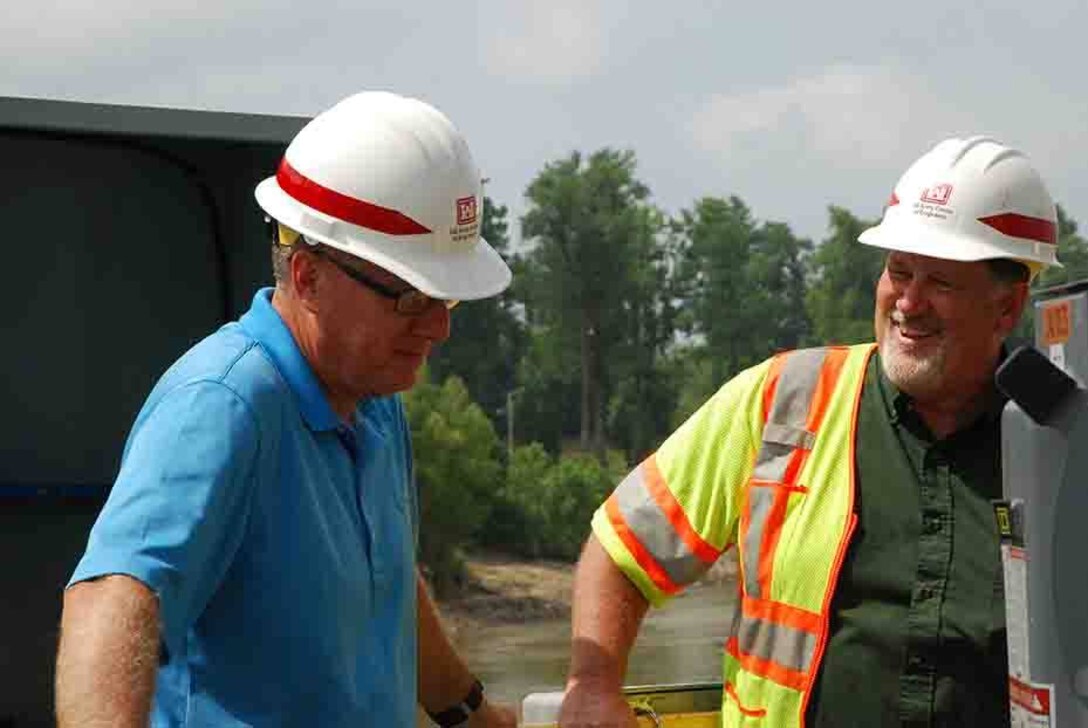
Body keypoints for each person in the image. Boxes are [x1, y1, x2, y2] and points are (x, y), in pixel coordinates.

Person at [558, 136, 1062, 728]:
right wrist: (592, 686)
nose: (909, 302)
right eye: (898, 271)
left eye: (941, 283)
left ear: (1006, 308)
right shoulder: (781, 401)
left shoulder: (1058, 444)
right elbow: (622, 550)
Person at [54, 91, 517, 728]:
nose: (438, 328)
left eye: (447, 300)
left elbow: (388, 589)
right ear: (307, 277)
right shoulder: (224, 405)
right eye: (411, 298)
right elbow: (113, 597)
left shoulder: (375, 402)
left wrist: (472, 714)